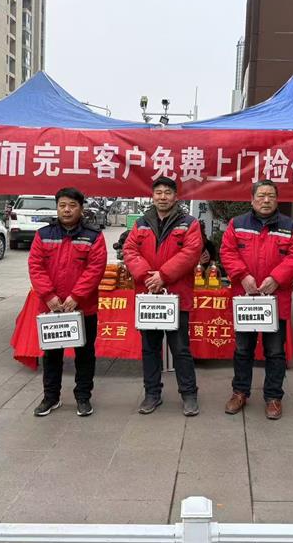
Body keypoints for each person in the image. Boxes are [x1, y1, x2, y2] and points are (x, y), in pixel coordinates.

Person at [219, 180, 293, 420]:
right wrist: (242, 275)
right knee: (242, 349)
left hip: (276, 298)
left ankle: (273, 397)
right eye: (261, 196)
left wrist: (277, 278)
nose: (266, 200)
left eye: (271, 196)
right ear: (252, 199)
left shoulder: (292, 227)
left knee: (275, 351)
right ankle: (240, 392)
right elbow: (227, 251)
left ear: (277, 200)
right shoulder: (237, 224)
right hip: (246, 297)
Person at [123, 177, 203, 417]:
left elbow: (191, 252)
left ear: (176, 197)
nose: (163, 197)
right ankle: (152, 394)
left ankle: (189, 395)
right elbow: (129, 250)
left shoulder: (189, 223)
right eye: (158, 192)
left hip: (177, 297)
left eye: (168, 192)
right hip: (148, 297)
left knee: (180, 349)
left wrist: (163, 276)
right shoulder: (140, 224)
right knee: (150, 349)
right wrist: (149, 276)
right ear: (152, 196)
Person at [28, 188, 107, 417]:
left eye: (72, 205)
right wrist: (49, 296)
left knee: (85, 354)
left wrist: (76, 296)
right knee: (52, 355)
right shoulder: (43, 234)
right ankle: (51, 397)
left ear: (81, 209)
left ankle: (83, 397)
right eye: (62, 205)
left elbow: (95, 269)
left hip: (83, 308)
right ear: (57, 207)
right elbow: (35, 266)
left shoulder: (93, 236)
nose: (67, 210)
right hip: (52, 308)